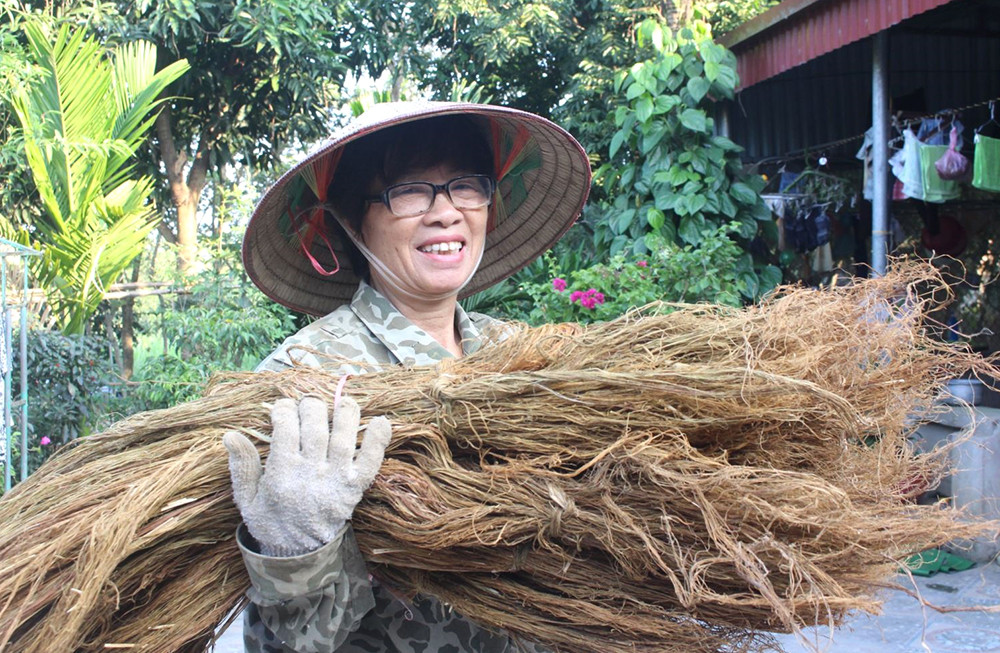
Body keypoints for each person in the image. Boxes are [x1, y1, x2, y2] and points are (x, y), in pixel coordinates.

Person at [224, 101, 591, 653]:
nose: (445, 213)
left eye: (466, 186)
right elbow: (293, 640)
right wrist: (294, 548)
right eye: (410, 191)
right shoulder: (305, 375)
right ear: (351, 223)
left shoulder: (523, 351)